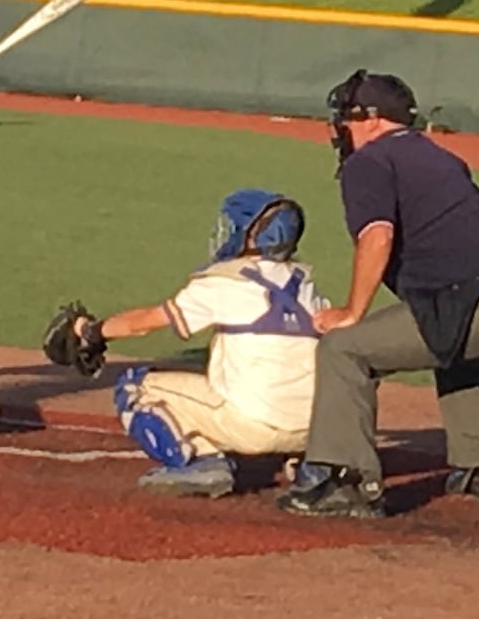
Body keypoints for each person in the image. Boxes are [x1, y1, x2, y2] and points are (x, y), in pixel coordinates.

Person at [276, 70, 479, 519]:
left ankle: (347, 480)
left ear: (369, 119)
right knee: (451, 339)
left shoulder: (370, 162)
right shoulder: (439, 157)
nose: (340, 128)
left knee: (344, 349)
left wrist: (352, 311)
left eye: (345, 117)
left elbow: (377, 236)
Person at [44, 189, 330, 498]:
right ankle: (308, 466)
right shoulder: (307, 288)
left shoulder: (226, 282)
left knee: (135, 386)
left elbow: (145, 323)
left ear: (250, 236)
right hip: (314, 432)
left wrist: (91, 331)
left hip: (252, 429)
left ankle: (201, 462)